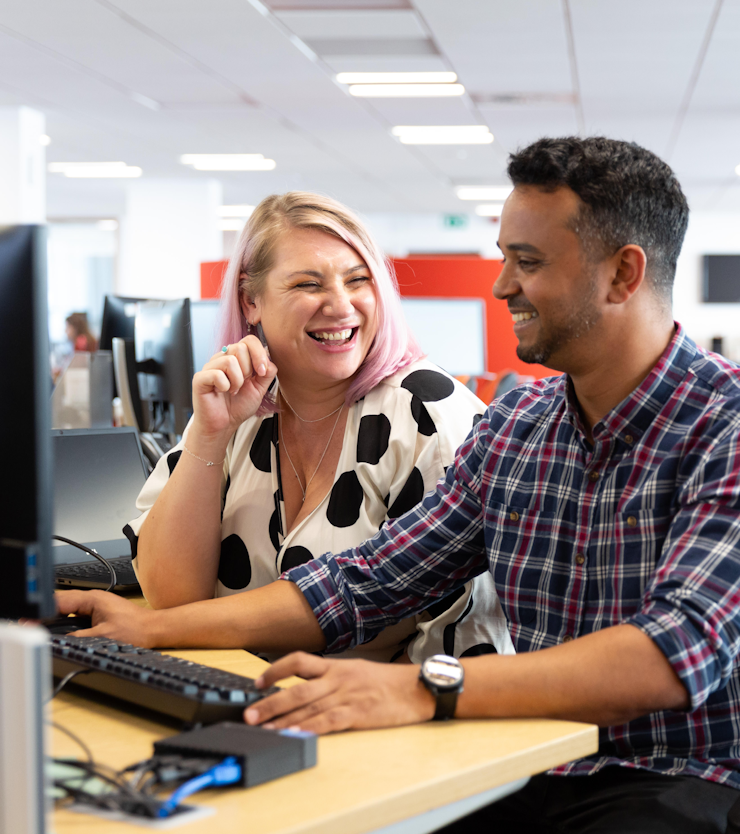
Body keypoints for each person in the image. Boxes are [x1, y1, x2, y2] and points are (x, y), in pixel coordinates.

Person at [59, 138, 740, 832]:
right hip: (529, 756)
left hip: (677, 775)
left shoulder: (725, 428)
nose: (501, 286)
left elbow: (673, 649)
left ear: (624, 275)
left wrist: (421, 689)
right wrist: (149, 629)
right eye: (505, 257)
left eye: (526, 263)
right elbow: (369, 581)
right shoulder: (519, 426)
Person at [122, 191, 511, 663]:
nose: (341, 305)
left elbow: (465, 646)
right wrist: (210, 434)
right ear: (251, 300)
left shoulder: (427, 415)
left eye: (358, 280)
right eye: (309, 284)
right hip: (243, 698)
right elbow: (172, 602)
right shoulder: (241, 409)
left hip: (382, 720)